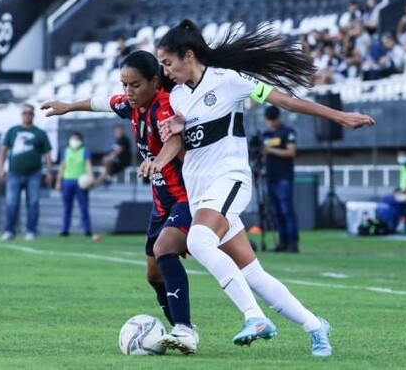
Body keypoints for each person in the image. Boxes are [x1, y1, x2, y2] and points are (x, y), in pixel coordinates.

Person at [152, 19, 374, 356]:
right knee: (253, 273)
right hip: (201, 193)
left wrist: (340, 117)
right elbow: (184, 146)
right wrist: (173, 136)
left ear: (189, 55)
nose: (165, 71)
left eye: (168, 63)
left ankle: (254, 317)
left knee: (198, 240)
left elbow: (285, 101)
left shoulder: (228, 80)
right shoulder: (179, 97)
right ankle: (315, 326)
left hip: (229, 180)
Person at [41, 51, 198, 354]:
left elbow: (174, 141)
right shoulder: (131, 105)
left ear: (154, 82)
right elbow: (101, 103)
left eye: (135, 85)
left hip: (188, 196)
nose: (128, 92)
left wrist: (157, 162)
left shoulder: (163, 106)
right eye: (124, 85)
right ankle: (180, 329)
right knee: (153, 275)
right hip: (161, 202)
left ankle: (184, 328)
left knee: (164, 250)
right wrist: (68, 107)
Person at [0, 104, 53, 241]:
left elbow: (47, 154)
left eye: (29, 113)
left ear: (33, 115)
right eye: (24, 113)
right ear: (21, 114)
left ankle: (31, 231)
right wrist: (1, 168)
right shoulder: (13, 131)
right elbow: (3, 150)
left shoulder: (40, 133)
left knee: (33, 202)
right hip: (14, 173)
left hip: (34, 173)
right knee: (11, 203)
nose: (27, 115)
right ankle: (9, 231)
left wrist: (49, 171)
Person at [261, 105, 299, 252]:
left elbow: (291, 152)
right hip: (270, 177)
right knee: (276, 211)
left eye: (273, 120)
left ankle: (292, 243)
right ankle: (282, 242)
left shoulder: (287, 132)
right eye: (269, 120)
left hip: (284, 177)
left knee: (286, 210)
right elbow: (261, 154)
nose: (271, 123)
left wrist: (270, 150)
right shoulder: (265, 135)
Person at [56, 132, 94, 237]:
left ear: (81, 141)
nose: (74, 141)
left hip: (81, 182)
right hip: (68, 181)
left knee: (84, 207)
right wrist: (58, 181)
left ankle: (87, 230)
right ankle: (65, 229)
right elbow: (62, 166)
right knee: (67, 207)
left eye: (76, 139)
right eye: (72, 139)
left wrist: (91, 178)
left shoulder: (85, 151)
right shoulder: (65, 151)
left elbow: (88, 165)